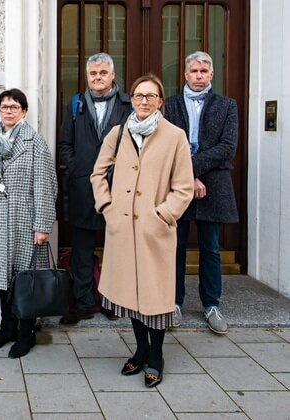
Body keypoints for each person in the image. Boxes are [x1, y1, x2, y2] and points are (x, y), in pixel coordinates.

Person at [91, 74, 193, 387]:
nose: (144, 101)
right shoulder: (118, 132)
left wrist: (162, 215)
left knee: (156, 297)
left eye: (150, 96)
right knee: (130, 295)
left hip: (155, 231)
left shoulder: (175, 136)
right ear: (131, 99)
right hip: (122, 228)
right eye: (138, 95)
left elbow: (184, 187)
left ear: (161, 101)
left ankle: (157, 356)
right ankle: (140, 349)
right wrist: (107, 208)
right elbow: (97, 173)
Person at [164, 51, 239, 334]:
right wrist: (189, 176)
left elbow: (227, 147)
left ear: (211, 75)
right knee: (176, 247)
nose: (198, 76)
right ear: (185, 74)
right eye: (193, 71)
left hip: (215, 186)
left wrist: (194, 169)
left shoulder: (227, 105)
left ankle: (211, 304)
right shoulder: (169, 106)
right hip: (178, 185)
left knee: (210, 248)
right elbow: (167, 147)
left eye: (203, 72)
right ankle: (174, 302)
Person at [0, 88, 57, 358]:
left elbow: (46, 185)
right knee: (4, 279)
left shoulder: (34, 142)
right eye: (4, 106)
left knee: (25, 281)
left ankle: (26, 333)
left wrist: (43, 226)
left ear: (24, 111)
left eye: (14, 107)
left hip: (25, 224)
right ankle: (7, 328)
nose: (8, 111)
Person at [58, 52, 132, 324]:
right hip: (82, 188)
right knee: (81, 250)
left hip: (118, 189)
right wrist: (77, 166)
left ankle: (115, 302)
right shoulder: (75, 104)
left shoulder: (128, 105)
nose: (98, 78)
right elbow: (65, 144)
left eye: (103, 73)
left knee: (116, 250)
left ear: (113, 75)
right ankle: (84, 303)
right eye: (93, 74)